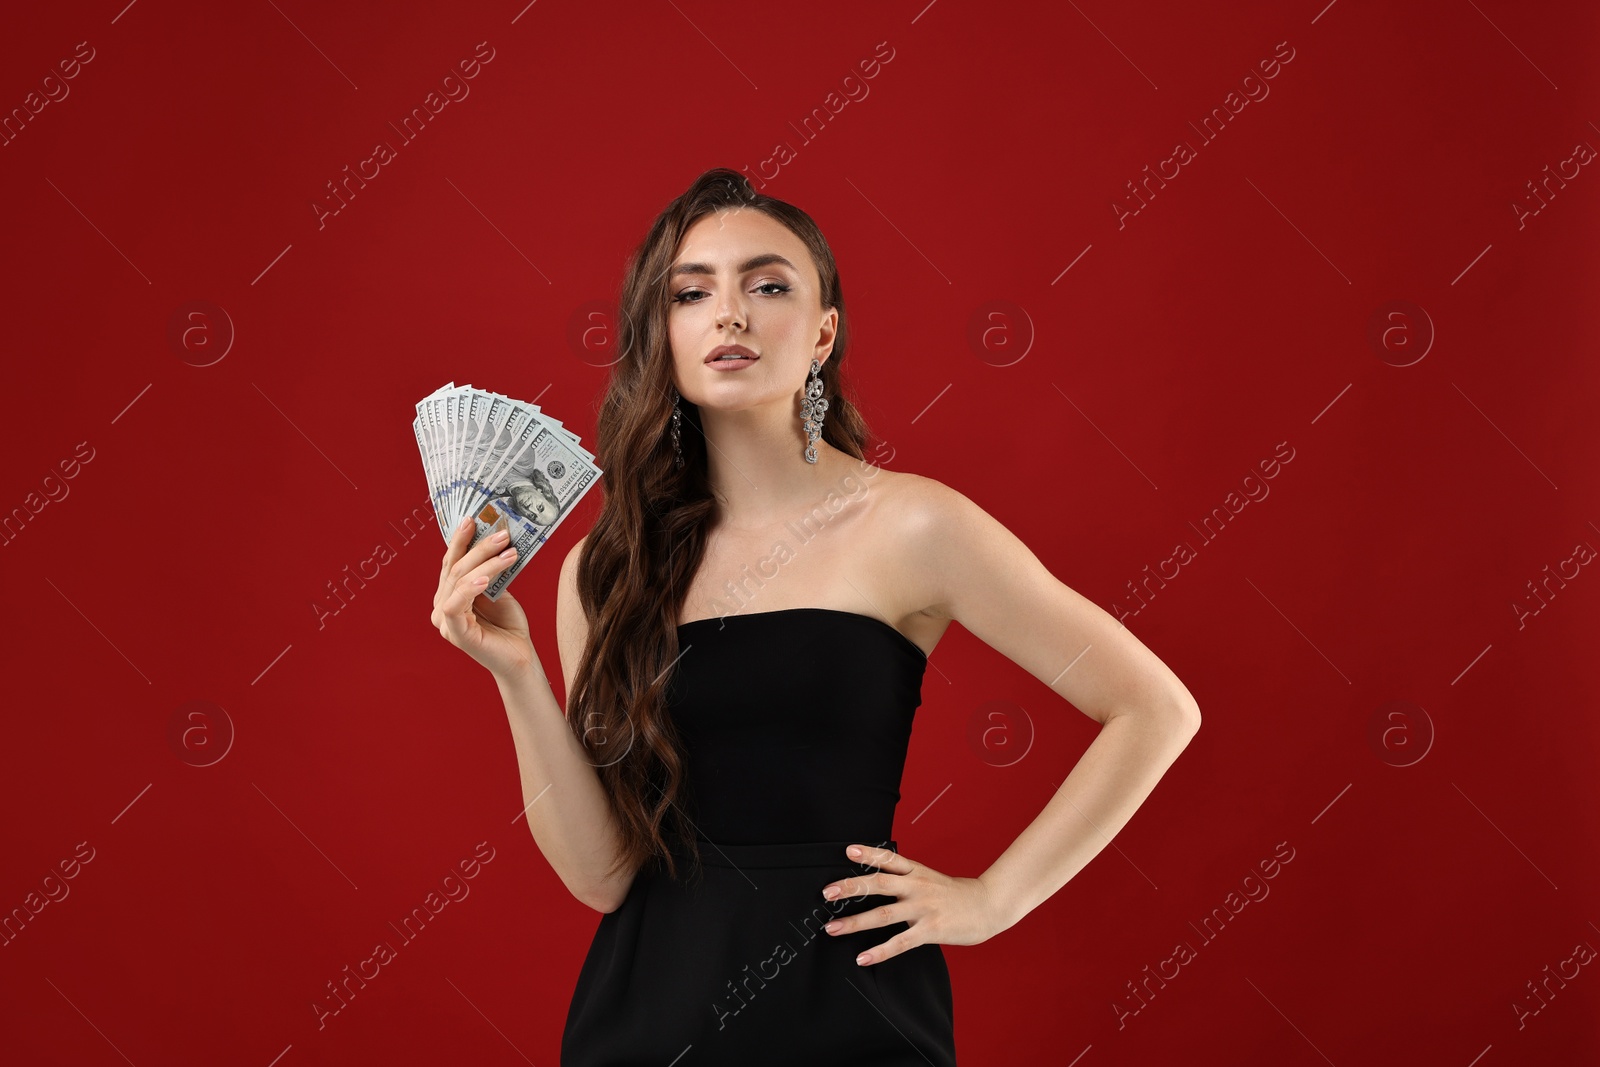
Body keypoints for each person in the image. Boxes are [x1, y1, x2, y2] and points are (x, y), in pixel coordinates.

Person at [430, 168, 1202, 1064]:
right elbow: (603, 877)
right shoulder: (603, 570)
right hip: (645, 1020)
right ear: (663, 334)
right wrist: (517, 672)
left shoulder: (912, 523)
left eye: (768, 284)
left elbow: (1155, 707)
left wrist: (994, 899)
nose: (731, 314)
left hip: (854, 1017)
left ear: (823, 332)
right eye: (692, 292)